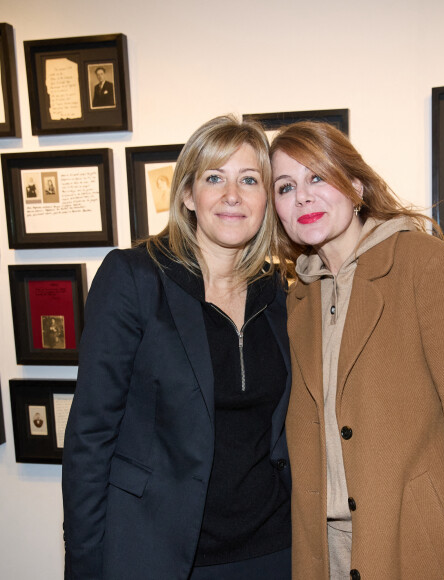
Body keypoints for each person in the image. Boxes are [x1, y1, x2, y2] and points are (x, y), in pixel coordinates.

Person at [270, 121, 444, 580]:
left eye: (317, 177)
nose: (302, 196)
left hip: (411, 548)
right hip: (320, 553)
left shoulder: (427, 266)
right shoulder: (296, 299)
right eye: (285, 187)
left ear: (356, 184)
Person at [62, 116, 292, 580]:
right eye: (214, 178)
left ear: (266, 199)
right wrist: (85, 562)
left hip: (272, 550)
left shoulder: (281, 293)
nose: (233, 195)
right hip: (159, 552)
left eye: (249, 180)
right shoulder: (134, 278)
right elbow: (90, 437)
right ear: (188, 195)